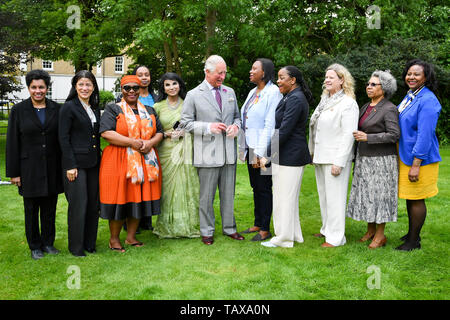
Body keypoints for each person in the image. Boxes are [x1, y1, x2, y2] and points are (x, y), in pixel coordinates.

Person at [180, 55, 244, 245]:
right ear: (207, 72)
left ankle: (229, 228)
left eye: (224, 72)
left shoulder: (229, 92)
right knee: (206, 196)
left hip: (228, 153)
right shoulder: (193, 94)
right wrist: (208, 128)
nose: (223, 76)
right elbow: (185, 124)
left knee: (228, 194)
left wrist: (236, 127)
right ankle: (207, 231)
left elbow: (237, 118)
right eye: (219, 73)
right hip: (206, 154)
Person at [99, 75, 163, 252]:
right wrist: (131, 142)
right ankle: (114, 239)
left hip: (144, 160)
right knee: (120, 198)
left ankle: (131, 237)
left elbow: (160, 132)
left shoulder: (149, 109)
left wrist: (149, 143)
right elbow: (106, 133)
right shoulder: (113, 109)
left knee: (138, 198)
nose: (132, 91)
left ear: (140, 89)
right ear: (122, 90)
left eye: (135, 87)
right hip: (120, 160)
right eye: (128, 88)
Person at [6, 70, 64, 260]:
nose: (38, 91)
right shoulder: (18, 110)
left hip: (51, 168)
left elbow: (61, 139)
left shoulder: (57, 109)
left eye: (41, 87)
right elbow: (12, 143)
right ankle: (35, 246)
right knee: (31, 210)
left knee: (49, 208)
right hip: (28, 169)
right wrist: (14, 173)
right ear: (29, 88)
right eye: (34, 87)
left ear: (47, 88)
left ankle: (48, 243)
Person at [260, 66, 313, 248]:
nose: (278, 81)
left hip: (291, 155)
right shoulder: (291, 97)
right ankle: (294, 235)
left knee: (284, 198)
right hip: (286, 154)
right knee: (286, 197)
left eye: (282, 78)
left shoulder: (296, 99)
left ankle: (282, 239)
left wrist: (267, 154)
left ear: (293, 80)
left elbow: (285, 130)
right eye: (278, 78)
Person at [347, 70, 400, 249]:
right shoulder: (365, 106)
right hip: (364, 158)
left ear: (383, 88)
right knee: (367, 195)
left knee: (380, 197)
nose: (368, 87)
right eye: (368, 84)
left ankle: (380, 235)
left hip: (382, 161)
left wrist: (368, 138)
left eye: (373, 84)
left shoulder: (389, 108)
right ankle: (370, 230)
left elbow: (394, 135)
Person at [308, 63, 359, 248]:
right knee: (324, 196)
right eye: (326, 77)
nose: (327, 80)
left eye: (331, 77)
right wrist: (313, 152)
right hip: (321, 156)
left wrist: (339, 161)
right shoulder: (325, 101)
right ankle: (326, 230)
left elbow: (348, 134)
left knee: (335, 198)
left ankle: (336, 238)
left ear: (342, 80)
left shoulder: (348, 103)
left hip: (335, 158)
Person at [395, 59, 442, 251]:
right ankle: (412, 233)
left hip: (420, 158)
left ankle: (413, 242)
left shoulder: (428, 100)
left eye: (416, 74)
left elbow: (425, 134)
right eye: (409, 73)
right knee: (410, 196)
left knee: (417, 198)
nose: (411, 77)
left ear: (425, 77)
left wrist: (416, 163)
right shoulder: (412, 95)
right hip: (407, 154)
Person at [238, 58, 282, 242]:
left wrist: (261, 153)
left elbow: (270, 124)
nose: (250, 71)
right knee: (255, 186)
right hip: (250, 146)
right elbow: (245, 120)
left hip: (264, 148)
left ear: (264, 73)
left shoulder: (273, 93)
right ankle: (257, 222)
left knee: (264, 188)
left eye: (254, 69)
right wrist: (243, 148)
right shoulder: (253, 92)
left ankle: (265, 228)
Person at [152, 72, 201, 238]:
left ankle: (189, 224)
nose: (171, 87)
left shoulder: (189, 103)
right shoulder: (157, 107)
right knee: (167, 189)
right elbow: (155, 131)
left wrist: (185, 133)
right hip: (166, 151)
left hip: (186, 150)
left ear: (180, 85)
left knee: (187, 185)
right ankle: (167, 225)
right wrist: (166, 134)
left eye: (174, 84)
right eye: (167, 85)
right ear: (163, 88)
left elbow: (195, 125)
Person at [59, 70, 101, 257]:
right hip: (75, 165)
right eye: (81, 84)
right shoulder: (69, 107)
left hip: (93, 163)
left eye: (88, 84)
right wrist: (70, 165)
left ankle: (89, 243)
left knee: (93, 204)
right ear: (75, 86)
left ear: (93, 87)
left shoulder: (94, 107)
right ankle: (76, 248)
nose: (85, 88)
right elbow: (63, 138)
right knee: (78, 205)